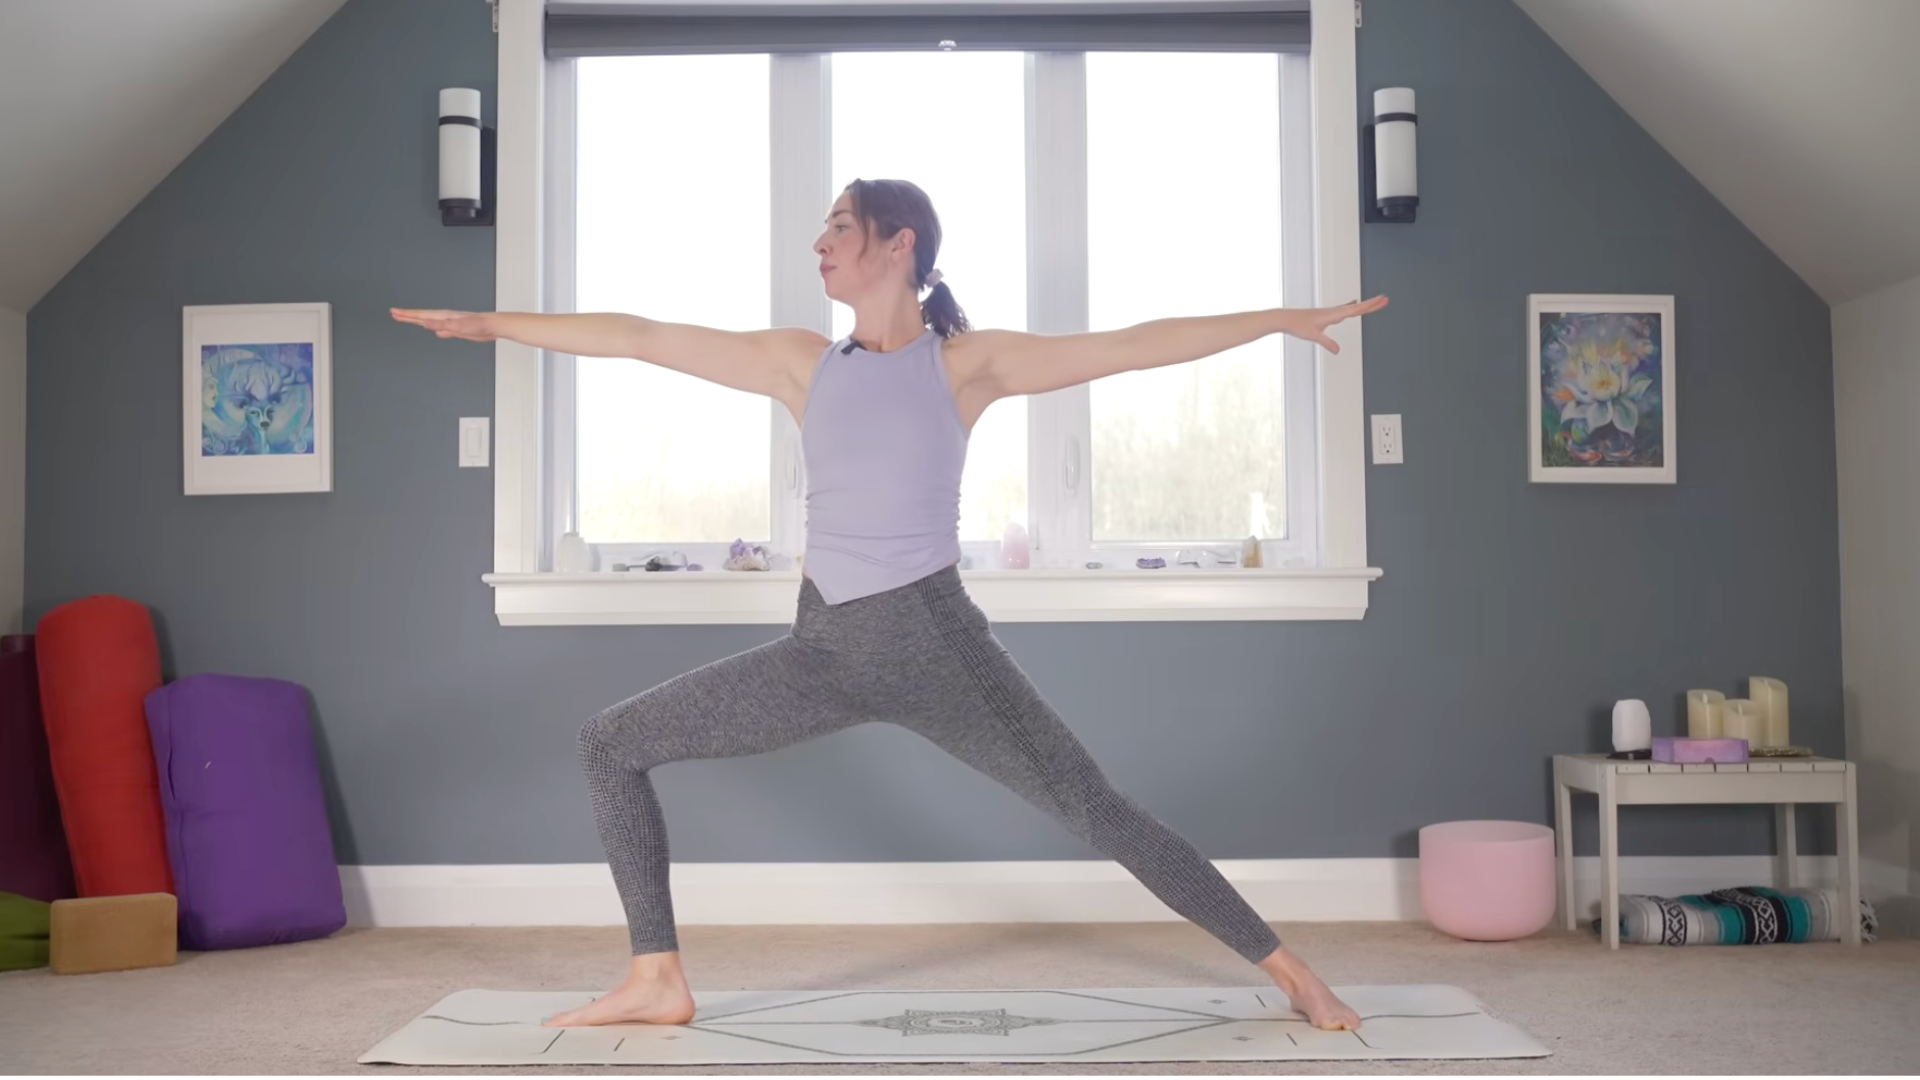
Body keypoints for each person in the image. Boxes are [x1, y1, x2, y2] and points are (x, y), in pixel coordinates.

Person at [392, 178, 1388, 1032]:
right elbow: (643, 337)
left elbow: (1129, 345)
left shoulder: (962, 365)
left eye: (838, 226)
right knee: (610, 743)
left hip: (931, 645)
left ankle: (1291, 972)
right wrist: (493, 325)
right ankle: (656, 976)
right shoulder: (802, 363)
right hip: (820, 646)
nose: (819, 244)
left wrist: (1273, 319)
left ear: (897, 243)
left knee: (1099, 812)